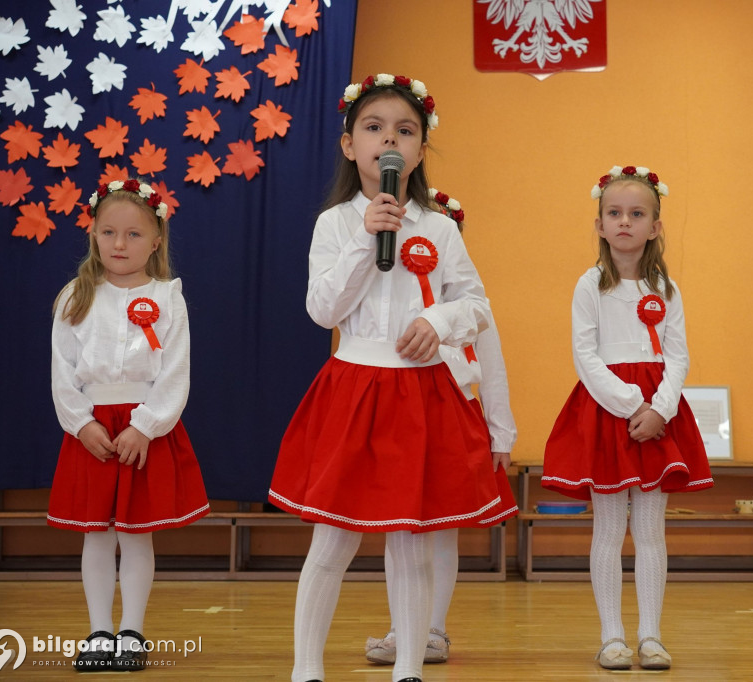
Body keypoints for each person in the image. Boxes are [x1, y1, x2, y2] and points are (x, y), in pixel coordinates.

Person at [267, 74, 518, 682]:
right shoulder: (335, 225)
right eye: (374, 128)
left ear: (420, 150)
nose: (390, 140)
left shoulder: (440, 227)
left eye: (405, 131)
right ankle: (307, 669)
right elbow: (322, 311)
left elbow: (477, 306)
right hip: (354, 386)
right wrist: (365, 238)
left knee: (409, 539)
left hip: (422, 390)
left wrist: (438, 319)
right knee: (333, 540)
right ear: (351, 146)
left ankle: (409, 668)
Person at [542, 166, 713, 671]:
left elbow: (679, 356)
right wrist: (630, 405)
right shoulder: (589, 285)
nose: (625, 222)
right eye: (614, 214)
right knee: (609, 529)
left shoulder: (668, 287)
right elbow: (584, 355)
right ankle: (612, 636)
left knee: (652, 530)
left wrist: (659, 409)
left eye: (637, 214)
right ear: (599, 225)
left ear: (655, 226)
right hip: (607, 413)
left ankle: (652, 636)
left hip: (658, 416)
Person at [48, 178, 209, 672]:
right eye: (109, 232)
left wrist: (145, 425)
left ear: (156, 240)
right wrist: (80, 424)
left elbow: (174, 372)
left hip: (143, 432)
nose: (120, 244)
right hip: (94, 431)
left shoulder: (168, 297)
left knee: (137, 534)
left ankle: (132, 634)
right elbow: (62, 370)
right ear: (93, 234)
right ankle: (99, 632)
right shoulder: (76, 296)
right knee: (96, 535)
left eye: (134, 235)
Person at [364, 190, 518, 667]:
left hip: (458, 420)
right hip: (405, 420)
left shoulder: (471, 311)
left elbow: (492, 372)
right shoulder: (388, 303)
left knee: (444, 530)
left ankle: (433, 630)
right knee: (400, 526)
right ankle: (400, 628)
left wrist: (501, 434)